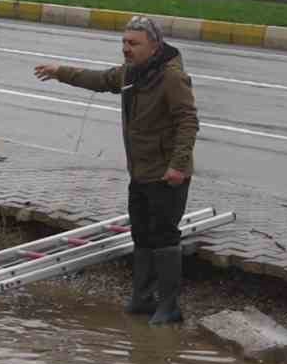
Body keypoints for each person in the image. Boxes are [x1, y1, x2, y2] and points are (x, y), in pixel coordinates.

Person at [33, 16, 198, 324]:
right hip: (140, 171)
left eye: (133, 43)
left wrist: (177, 166)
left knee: (164, 237)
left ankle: (170, 305)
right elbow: (100, 79)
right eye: (123, 42)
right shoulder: (134, 73)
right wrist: (60, 72)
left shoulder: (171, 77)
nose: (126, 49)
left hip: (166, 175)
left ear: (154, 45)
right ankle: (142, 297)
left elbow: (188, 122)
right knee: (142, 233)